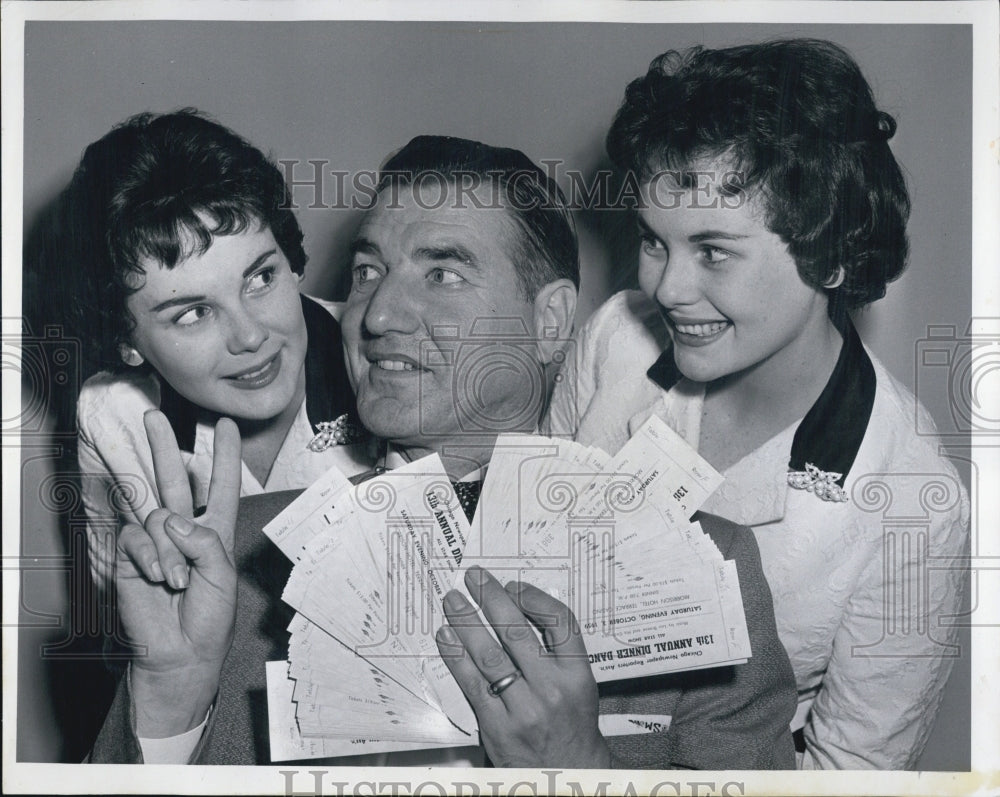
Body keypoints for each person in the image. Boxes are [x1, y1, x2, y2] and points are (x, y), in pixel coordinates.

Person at [89, 135, 797, 768]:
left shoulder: (711, 572)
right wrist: (169, 705)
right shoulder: (237, 557)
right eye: (367, 273)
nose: (378, 315)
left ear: (550, 321)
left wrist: (580, 769)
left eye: (443, 274)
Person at [545, 39, 971, 769]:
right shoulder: (615, 335)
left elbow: (850, 776)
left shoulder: (913, 502)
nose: (667, 288)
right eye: (655, 240)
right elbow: (535, 544)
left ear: (831, 256)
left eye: (713, 250)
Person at [57, 110, 368, 592]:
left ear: (292, 262)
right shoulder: (111, 415)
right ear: (126, 342)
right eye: (192, 313)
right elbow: (120, 627)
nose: (249, 336)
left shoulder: (387, 356)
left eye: (261, 277)